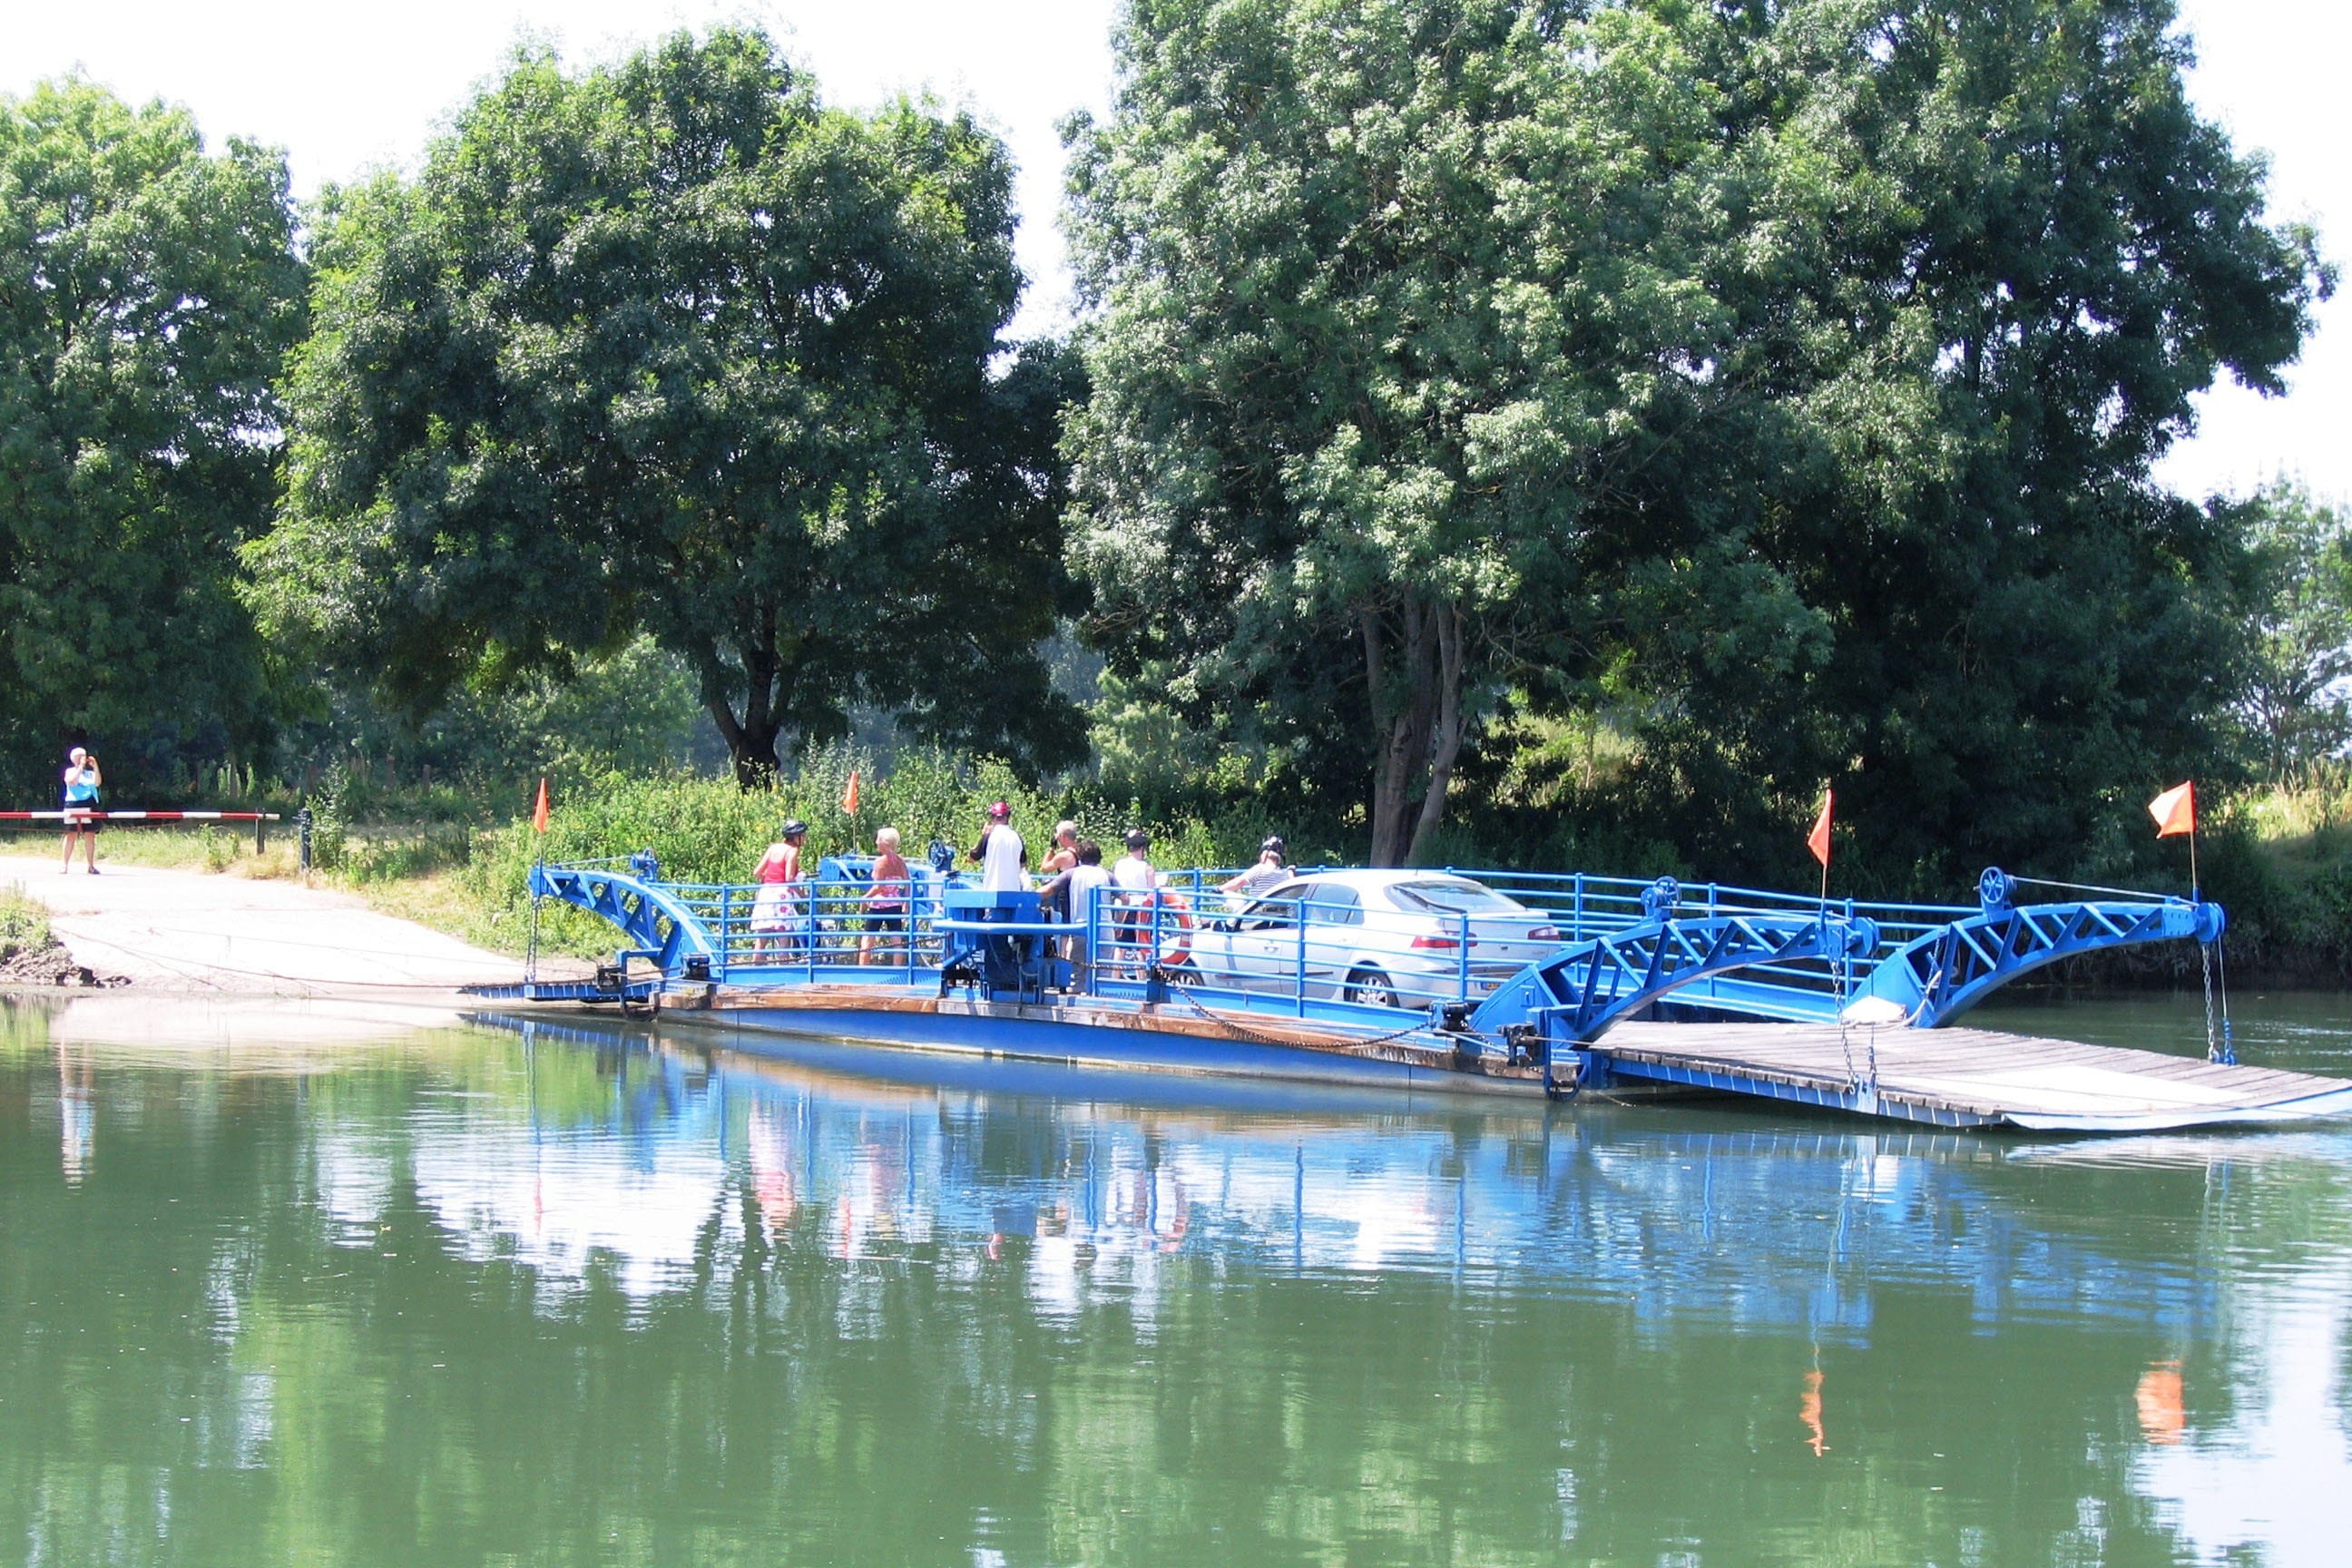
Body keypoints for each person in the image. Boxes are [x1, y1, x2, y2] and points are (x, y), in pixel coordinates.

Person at [1039, 838, 1109, 988]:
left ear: (1080, 857)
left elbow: (1047, 890)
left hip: (1081, 929)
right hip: (1105, 930)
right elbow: (1125, 898)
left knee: (1077, 976)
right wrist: (1118, 924)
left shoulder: (1071, 874)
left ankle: (1078, 993)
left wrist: (1025, 897)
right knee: (1104, 974)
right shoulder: (1107, 875)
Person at [750, 819, 809, 958]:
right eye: (803, 835)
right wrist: (802, 895)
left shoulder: (773, 848)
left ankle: (755, 971)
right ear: (796, 837)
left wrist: (769, 880)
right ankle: (784, 971)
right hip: (782, 895)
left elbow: (757, 872)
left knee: (761, 940)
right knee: (783, 939)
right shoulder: (792, 851)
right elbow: (789, 878)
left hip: (765, 893)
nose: (805, 838)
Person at [859, 827, 911, 965]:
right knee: (896, 940)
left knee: (867, 939)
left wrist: (865, 898)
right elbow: (907, 882)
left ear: (885, 843)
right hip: (895, 904)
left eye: (878, 839)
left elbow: (879, 886)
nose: (876, 842)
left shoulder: (880, 862)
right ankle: (897, 968)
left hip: (878, 905)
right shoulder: (900, 861)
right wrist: (907, 900)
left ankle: (863, 970)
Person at [1110, 828, 1154, 975]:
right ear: (1143, 846)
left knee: (1120, 947)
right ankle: (1141, 981)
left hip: (1121, 907)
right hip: (1140, 908)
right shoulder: (1147, 868)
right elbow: (1151, 892)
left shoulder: (1119, 864)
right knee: (1141, 947)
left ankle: (1114, 980)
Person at [968, 800, 1028, 893]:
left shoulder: (989, 837)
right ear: (1008, 817)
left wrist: (983, 835)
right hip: (1013, 892)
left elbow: (972, 859)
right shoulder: (1017, 837)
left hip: (991, 892)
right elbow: (1023, 864)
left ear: (992, 818)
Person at [60, 747, 102, 875]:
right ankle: (64, 865)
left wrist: (95, 766)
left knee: (90, 835)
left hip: (89, 803)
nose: (82, 758)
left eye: (83, 756)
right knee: (70, 835)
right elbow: (72, 781)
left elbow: (98, 783)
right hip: (73, 804)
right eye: (79, 756)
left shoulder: (90, 774)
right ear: (73, 759)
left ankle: (90, 866)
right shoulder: (70, 771)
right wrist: (80, 767)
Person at [1220, 836, 1290, 905]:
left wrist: (1219, 890)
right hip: (1281, 914)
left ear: (1264, 854)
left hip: (1259, 913)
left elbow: (1238, 882)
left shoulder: (1260, 869)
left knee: (1229, 895)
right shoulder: (1286, 873)